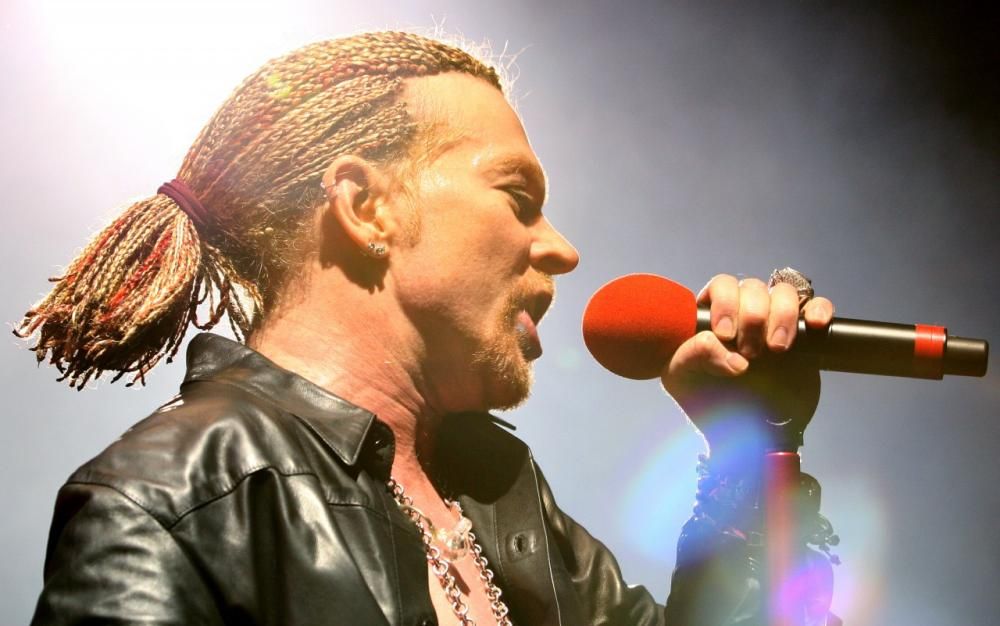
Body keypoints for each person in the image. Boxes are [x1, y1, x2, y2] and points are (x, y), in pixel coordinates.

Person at [20, 32, 837, 625]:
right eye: (518, 198)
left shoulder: (502, 494)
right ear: (367, 207)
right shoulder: (171, 499)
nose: (562, 249)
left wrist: (755, 443)